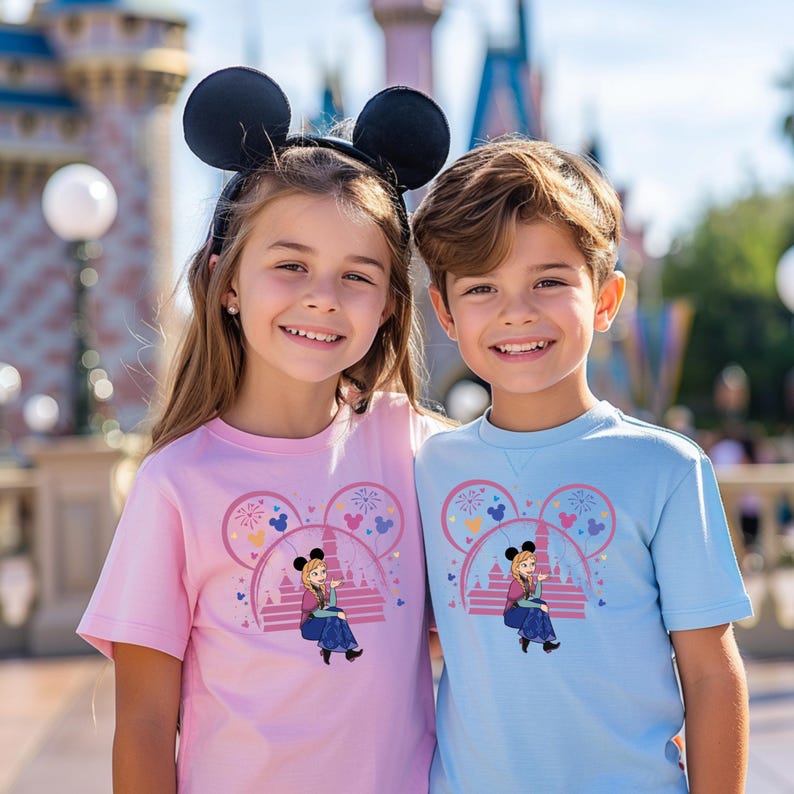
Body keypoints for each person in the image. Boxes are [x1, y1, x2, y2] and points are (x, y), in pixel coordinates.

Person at [77, 66, 450, 793]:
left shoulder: (423, 452)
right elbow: (147, 724)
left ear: (388, 306)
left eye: (356, 275)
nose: (322, 298)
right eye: (290, 265)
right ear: (228, 283)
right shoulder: (176, 484)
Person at [411, 137, 753, 793]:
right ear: (445, 312)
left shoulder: (666, 469)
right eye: (483, 286)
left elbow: (711, 674)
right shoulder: (428, 466)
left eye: (548, 281)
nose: (517, 310)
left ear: (605, 298)